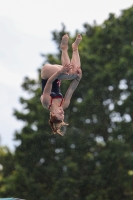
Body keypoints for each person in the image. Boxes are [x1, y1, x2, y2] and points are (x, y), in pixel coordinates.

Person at [40, 33, 82, 135]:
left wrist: (61, 71)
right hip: (60, 74)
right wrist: (78, 79)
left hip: (47, 73)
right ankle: (75, 47)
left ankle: (64, 48)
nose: (62, 112)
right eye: (63, 114)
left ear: (53, 113)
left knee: (69, 73)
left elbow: (49, 81)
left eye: (60, 114)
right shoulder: (64, 105)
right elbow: (71, 89)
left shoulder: (46, 102)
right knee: (75, 72)